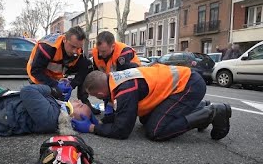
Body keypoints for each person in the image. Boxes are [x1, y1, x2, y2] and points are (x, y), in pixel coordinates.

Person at [71, 65, 232, 141]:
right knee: (146, 119)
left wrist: (93, 128)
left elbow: (122, 130)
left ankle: (212, 113)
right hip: (184, 83)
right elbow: (121, 112)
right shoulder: (116, 80)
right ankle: (200, 108)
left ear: (100, 93)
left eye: (98, 97)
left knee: (155, 130)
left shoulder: (125, 91)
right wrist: (103, 121)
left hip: (189, 86)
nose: (101, 100)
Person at [0, 77, 93, 136]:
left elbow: (28, 91)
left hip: (3, 104)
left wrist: (52, 90)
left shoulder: (51, 116)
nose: (78, 102)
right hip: (8, 107)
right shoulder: (56, 114)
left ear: (74, 118)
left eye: (80, 106)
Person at [26, 26, 96, 113]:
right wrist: (55, 84)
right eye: (73, 47)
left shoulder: (77, 50)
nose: (75, 51)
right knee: (44, 107)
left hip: (56, 75)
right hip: (38, 76)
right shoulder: (47, 48)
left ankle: (84, 100)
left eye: (78, 48)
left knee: (88, 65)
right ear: (64, 40)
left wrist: (72, 85)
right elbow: (36, 71)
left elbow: (83, 68)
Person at [91, 31, 141, 116]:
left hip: (133, 80)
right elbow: (99, 75)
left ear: (113, 46)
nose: (100, 54)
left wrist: (111, 102)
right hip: (111, 81)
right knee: (109, 115)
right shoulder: (96, 52)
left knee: (120, 109)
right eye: (99, 50)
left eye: (103, 51)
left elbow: (121, 82)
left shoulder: (124, 53)